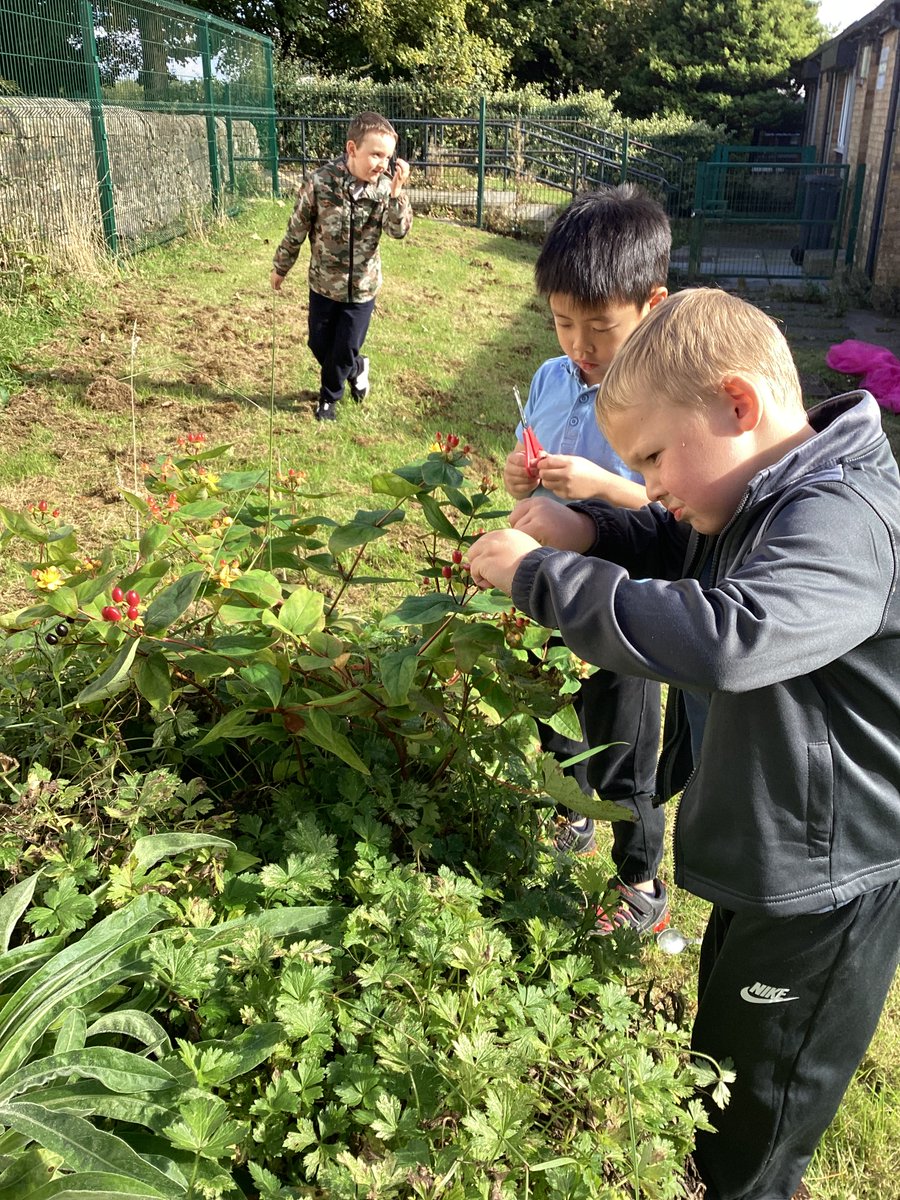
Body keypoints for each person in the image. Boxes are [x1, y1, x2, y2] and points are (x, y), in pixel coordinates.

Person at [467, 287, 900, 1200]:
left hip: (829, 881)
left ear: (738, 405)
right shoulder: (767, 486)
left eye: (655, 457)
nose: (652, 484)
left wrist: (545, 578)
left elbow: (730, 637)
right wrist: (590, 527)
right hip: (771, 848)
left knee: (760, 1108)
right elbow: (678, 543)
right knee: (726, 1056)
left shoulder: (845, 519)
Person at [505, 184, 670, 935]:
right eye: (563, 322)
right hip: (550, 586)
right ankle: (572, 815)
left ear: (651, 307)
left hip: (623, 605)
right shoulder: (550, 377)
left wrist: (602, 486)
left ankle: (640, 882)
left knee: (625, 747)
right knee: (555, 713)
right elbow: (527, 454)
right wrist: (520, 474)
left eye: (600, 327)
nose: (580, 345)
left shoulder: (662, 399)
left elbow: (672, 513)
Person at [270, 111, 412, 422]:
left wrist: (397, 194)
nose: (382, 164)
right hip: (323, 284)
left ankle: (328, 399)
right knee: (319, 343)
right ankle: (357, 368)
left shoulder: (385, 188)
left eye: (387, 157)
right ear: (352, 149)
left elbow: (399, 231)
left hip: (362, 288)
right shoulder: (320, 183)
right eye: (375, 154)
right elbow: (296, 228)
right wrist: (281, 266)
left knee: (344, 347)